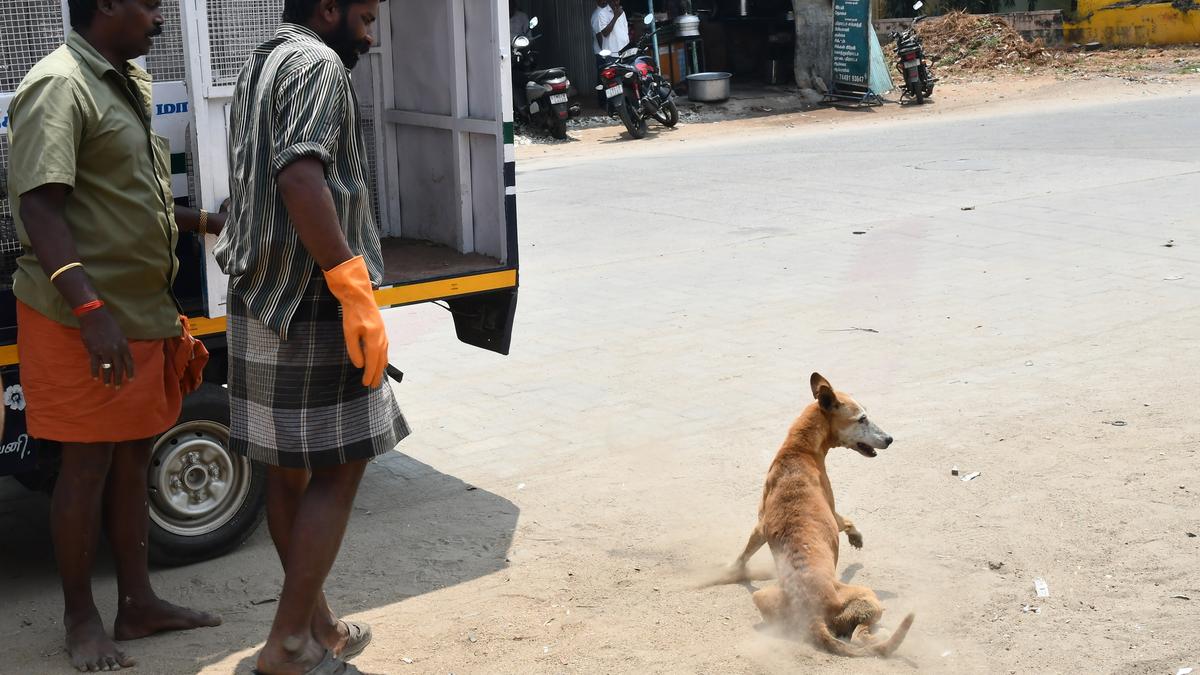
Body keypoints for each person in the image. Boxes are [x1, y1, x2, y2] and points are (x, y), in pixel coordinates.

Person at [5, 0, 225, 671]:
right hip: (81, 318)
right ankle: (81, 618)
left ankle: (138, 604)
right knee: (86, 466)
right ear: (105, 5)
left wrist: (202, 222)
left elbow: (125, 196)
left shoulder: (124, 81)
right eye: (150, 5)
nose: (160, 19)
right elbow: (40, 206)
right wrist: (91, 308)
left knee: (132, 457)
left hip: (139, 311)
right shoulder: (60, 83)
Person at [215, 0, 409, 672]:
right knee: (342, 463)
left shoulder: (262, 60)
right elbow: (300, 176)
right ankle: (291, 641)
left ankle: (319, 625)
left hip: (261, 296)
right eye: (364, 16)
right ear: (329, 9)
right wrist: (353, 288)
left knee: (286, 471)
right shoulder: (318, 63)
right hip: (313, 300)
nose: (370, 33)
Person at [590, 0, 628, 106]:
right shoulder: (601, 14)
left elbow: (624, 29)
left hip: (623, 52)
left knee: (624, 79)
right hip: (610, 53)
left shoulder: (622, 12)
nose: (616, 2)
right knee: (610, 81)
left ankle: (624, 104)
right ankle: (608, 105)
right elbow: (603, 33)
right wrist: (615, 17)